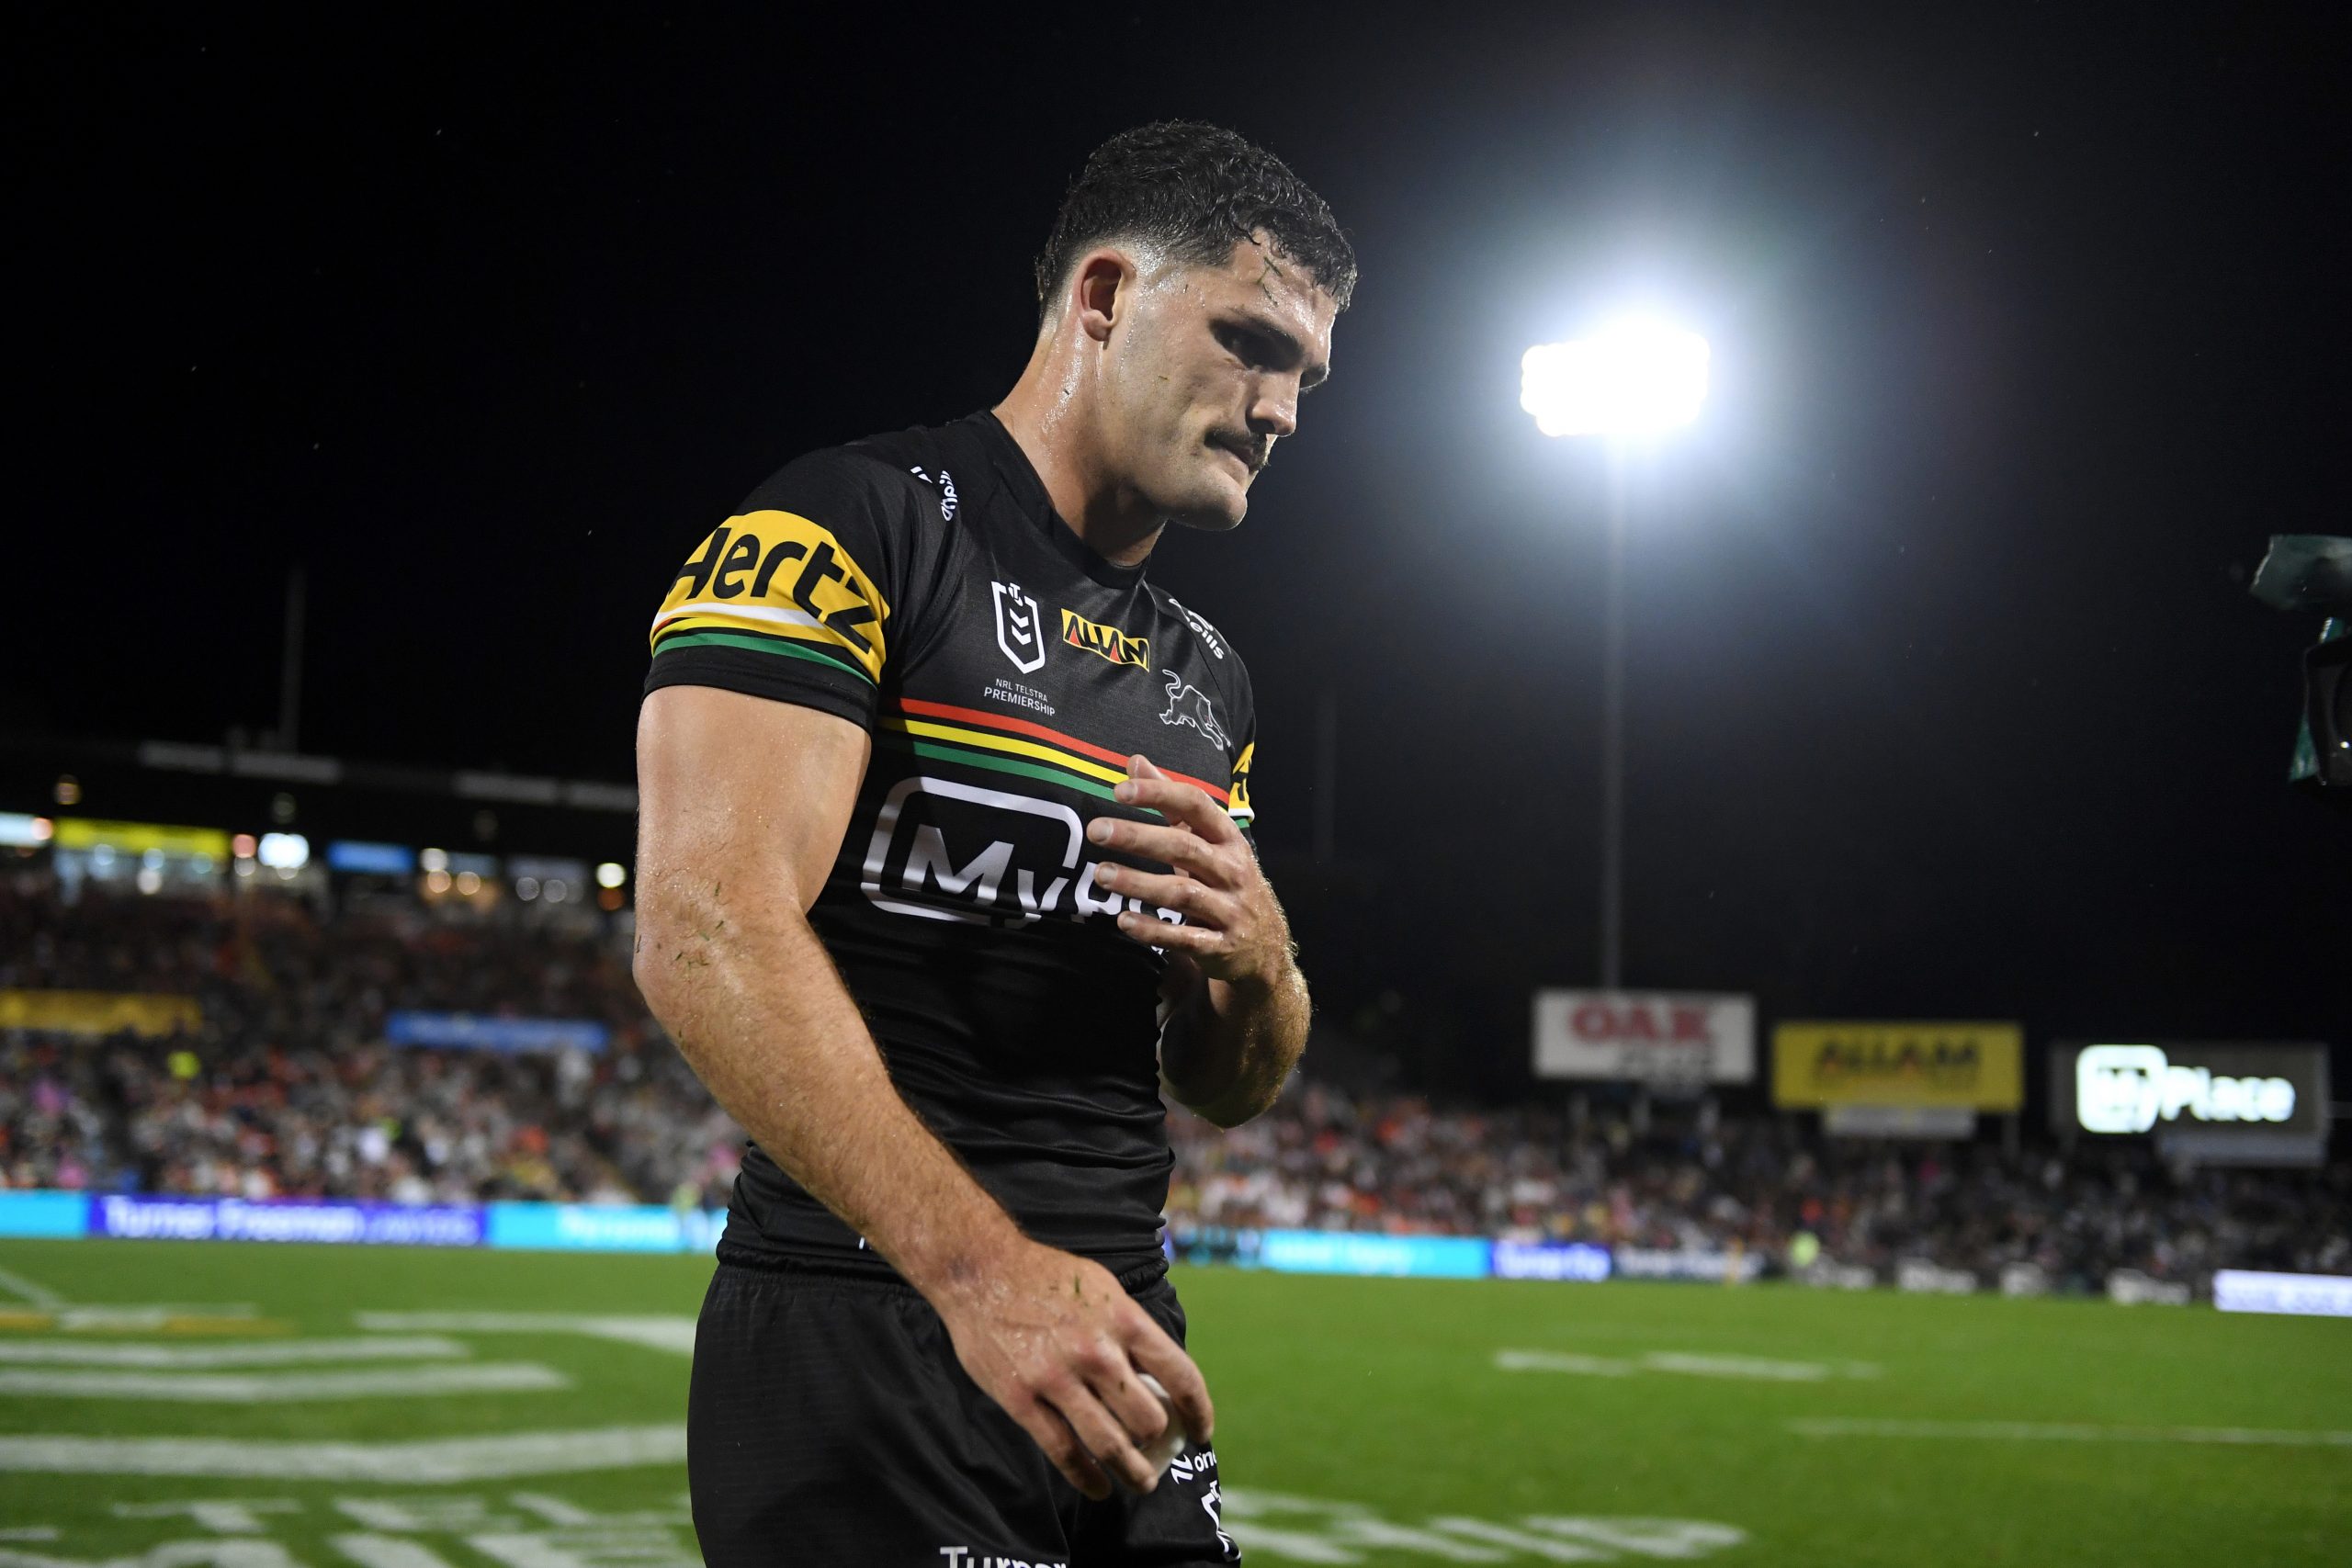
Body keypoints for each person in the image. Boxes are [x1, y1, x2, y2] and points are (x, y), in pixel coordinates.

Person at [631, 121, 1354, 1562]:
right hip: (873, 1323)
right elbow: (703, 926)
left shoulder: (1212, 681)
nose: (1281, 408)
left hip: (1119, 1336)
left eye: (1309, 378)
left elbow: (1225, 1085)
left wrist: (1262, 966)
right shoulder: (845, 527)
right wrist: (983, 1274)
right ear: (1102, 296)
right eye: (1253, 341)